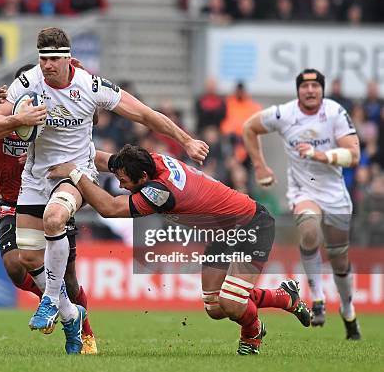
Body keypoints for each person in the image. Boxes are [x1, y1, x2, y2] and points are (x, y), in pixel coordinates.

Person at [0, 27, 209, 354]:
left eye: (54, 59)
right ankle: (70, 314)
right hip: (36, 177)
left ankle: (50, 302)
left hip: (77, 172)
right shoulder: (27, 83)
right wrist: (18, 117)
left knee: (54, 218)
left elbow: (145, 114)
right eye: (43, 58)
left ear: (68, 58)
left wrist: (186, 140)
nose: (47, 65)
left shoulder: (91, 86)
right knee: (28, 258)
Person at [48, 145, 311, 355]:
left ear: (143, 178)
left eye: (125, 181)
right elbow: (107, 160)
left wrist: (74, 173)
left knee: (231, 303)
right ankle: (284, 297)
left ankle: (252, 333)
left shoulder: (160, 192)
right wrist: (69, 151)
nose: (120, 185)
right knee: (215, 307)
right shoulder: (146, 161)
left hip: (251, 225)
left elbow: (109, 208)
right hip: (221, 231)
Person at [0, 63, 98, 354]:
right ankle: (56, 304)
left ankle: (86, 332)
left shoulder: (49, 124)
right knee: (15, 267)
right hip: (12, 202)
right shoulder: (6, 118)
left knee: (68, 277)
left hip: (50, 200)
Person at [243, 68, 361, 340]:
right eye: (305, 85)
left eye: (315, 85)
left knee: (339, 258)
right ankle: (317, 297)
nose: (310, 90)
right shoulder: (285, 114)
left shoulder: (334, 112)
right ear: (298, 90)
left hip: (335, 194)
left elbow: (353, 155)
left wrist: (321, 155)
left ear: (322, 89)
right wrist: (260, 166)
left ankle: (348, 309)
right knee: (309, 232)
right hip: (302, 190)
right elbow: (249, 127)